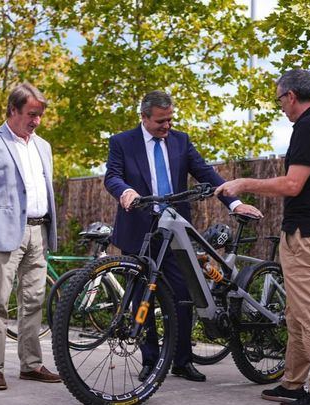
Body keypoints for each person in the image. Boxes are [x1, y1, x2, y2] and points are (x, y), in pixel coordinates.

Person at [104, 90, 263, 383]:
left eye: (170, 120)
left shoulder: (180, 140)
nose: (167, 126)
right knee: (144, 299)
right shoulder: (122, 142)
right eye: (160, 122)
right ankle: (151, 360)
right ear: (144, 117)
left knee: (182, 297)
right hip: (139, 231)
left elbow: (206, 173)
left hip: (175, 231)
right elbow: (112, 175)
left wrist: (235, 203)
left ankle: (182, 360)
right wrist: (125, 191)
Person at [216, 69, 310, 405]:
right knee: (297, 312)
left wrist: (243, 183)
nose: (281, 107)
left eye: (280, 99)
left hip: (307, 232)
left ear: (290, 96)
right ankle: (292, 383)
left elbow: (292, 185)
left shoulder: (308, 126)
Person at [0, 83, 60, 390]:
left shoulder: (44, 146)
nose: (36, 121)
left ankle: (30, 364)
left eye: (40, 115)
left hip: (39, 231)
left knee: (34, 301)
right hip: (3, 234)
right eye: (31, 114)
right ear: (12, 110)